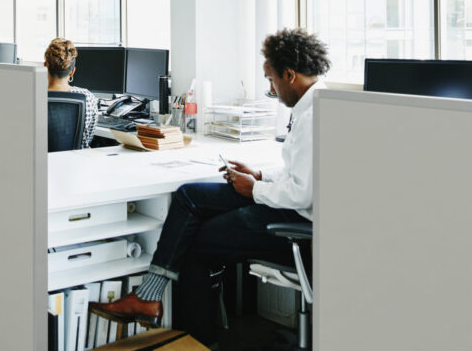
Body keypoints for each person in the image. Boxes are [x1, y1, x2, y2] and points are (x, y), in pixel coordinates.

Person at [90, 28, 331, 343]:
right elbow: (302, 175)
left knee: (193, 243)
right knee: (189, 196)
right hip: (288, 205)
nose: (271, 90)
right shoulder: (315, 106)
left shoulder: (314, 117)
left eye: (271, 80)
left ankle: (198, 342)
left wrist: (253, 189)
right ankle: (149, 297)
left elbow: (302, 193)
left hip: (296, 223)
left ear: (289, 74)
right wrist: (260, 176)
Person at [44, 38, 99, 149]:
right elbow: (88, 138)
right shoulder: (87, 97)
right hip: (77, 163)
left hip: (40, 164)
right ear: (72, 71)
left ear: (46, 66)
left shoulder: (33, 97)